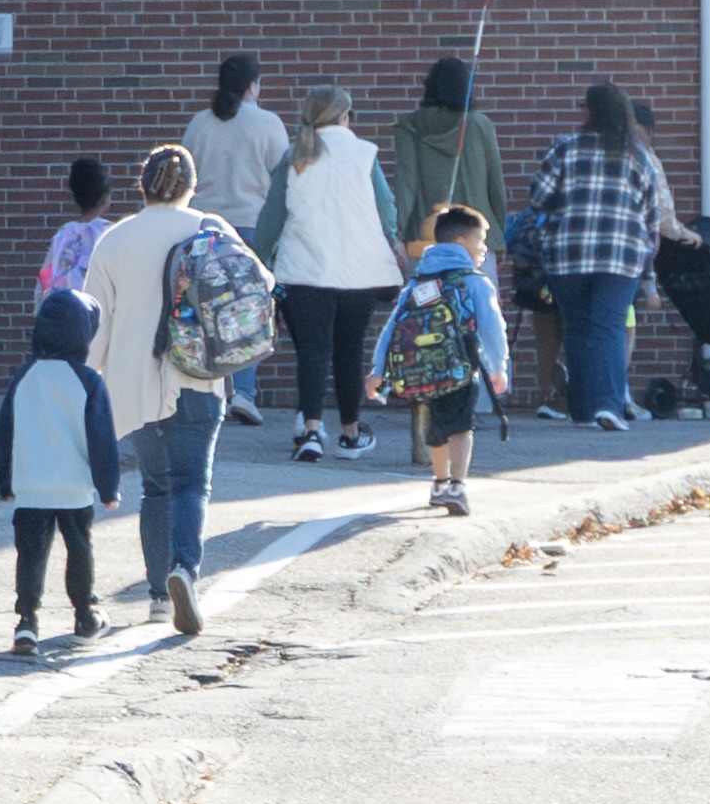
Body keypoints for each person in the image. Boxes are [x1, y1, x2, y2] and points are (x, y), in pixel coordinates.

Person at [79, 143, 231, 635]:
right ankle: (184, 570)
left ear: (142, 186)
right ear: (191, 187)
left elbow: (94, 325)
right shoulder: (211, 229)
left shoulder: (115, 241)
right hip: (197, 376)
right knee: (192, 483)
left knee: (156, 488)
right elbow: (260, 284)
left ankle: (157, 599)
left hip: (131, 385)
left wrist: (86, 383)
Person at [266, 83, 405, 462]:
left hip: (304, 270)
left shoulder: (295, 156)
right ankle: (350, 433)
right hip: (359, 272)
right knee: (349, 349)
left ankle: (311, 432)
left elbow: (272, 217)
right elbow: (386, 207)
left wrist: (259, 261)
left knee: (312, 353)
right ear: (345, 116)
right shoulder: (364, 153)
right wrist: (392, 241)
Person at [529, 80, 680, 428]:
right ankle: (609, 405)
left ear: (590, 110)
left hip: (567, 253)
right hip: (621, 255)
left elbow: (538, 196)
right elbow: (650, 211)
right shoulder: (637, 155)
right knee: (609, 326)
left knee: (578, 328)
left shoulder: (566, 148)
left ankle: (582, 409)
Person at [0, 288, 121, 654]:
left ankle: (27, 623)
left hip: (31, 486)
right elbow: (101, 439)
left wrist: (6, 480)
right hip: (73, 487)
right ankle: (84, 614)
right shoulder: (88, 380)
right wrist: (108, 488)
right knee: (79, 549)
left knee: (31, 553)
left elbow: (5, 431)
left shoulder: (24, 377)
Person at [369, 205, 512, 518]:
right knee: (461, 427)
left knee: (437, 429)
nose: (483, 250)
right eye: (481, 243)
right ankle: (458, 486)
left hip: (422, 370)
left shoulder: (417, 284)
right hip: (461, 369)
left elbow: (393, 328)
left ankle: (439, 483)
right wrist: (498, 366)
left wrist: (378, 371)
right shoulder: (474, 282)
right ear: (462, 244)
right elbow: (492, 327)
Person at [188, 54, 290, 423]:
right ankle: (244, 393)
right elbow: (283, 180)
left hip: (206, 228)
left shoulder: (199, 124)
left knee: (206, 312)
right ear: (253, 85)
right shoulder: (268, 123)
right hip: (253, 228)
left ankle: (208, 391)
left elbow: (188, 179)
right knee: (247, 313)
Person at [385, 54, 506, 236]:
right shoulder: (480, 125)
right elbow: (496, 186)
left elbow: (406, 186)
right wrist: (500, 233)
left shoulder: (410, 127)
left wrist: (398, 235)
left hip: (425, 236)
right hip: (478, 238)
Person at [37, 156, 111, 312]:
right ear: (104, 199)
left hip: (63, 318)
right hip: (96, 318)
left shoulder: (63, 234)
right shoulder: (110, 233)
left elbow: (45, 277)